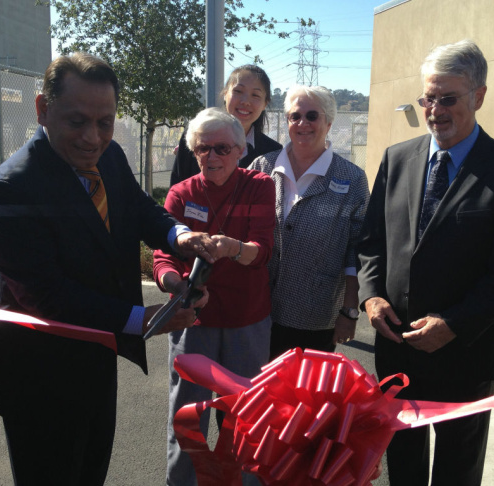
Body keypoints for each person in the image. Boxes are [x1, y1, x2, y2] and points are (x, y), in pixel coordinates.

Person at [0, 52, 218, 485]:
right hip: (40, 379)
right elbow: (45, 294)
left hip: (97, 363)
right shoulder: (10, 188)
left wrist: (181, 237)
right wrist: (142, 320)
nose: (93, 137)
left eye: (105, 122)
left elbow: (141, 209)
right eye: (77, 121)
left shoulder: (109, 156)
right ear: (42, 110)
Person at [356, 40, 494, 486]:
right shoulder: (397, 159)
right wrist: (372, 295)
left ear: (478, 95)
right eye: (428, 98)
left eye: (448, 98)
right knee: (403, 468)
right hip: (397, 349)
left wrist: (453, 324)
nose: (435, 110)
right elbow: (371, 241)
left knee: (458, 471)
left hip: (466, 357)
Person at [154, 107, 276, 486]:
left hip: (246, 320)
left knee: (248, 416)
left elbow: (263, 251)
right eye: (203, 148)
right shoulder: (181, 193)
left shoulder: (259, 184)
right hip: (194, 320)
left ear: (240, 150)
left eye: (222, 148)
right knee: (187, 415)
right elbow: (163, 256)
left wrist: (232, 248)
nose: (212, 156)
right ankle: (181, 482)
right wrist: (175, 284)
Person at [250, 85, 370, 359]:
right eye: (295, 116)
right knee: (258, 394)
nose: (303, 123)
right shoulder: (262, 167)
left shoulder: (352, 178)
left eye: (312, 116)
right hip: (257, 309)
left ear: (328, 122)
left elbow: (357, 247)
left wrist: (350, 310)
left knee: (302, 397)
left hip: (315, 314)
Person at [169, 65, 282, 186]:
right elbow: (176, 190)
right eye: (238, 91)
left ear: (265, 103)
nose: (245, 101)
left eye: (255, 95)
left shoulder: (273, 152)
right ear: (225, 93)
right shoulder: (196, 137)